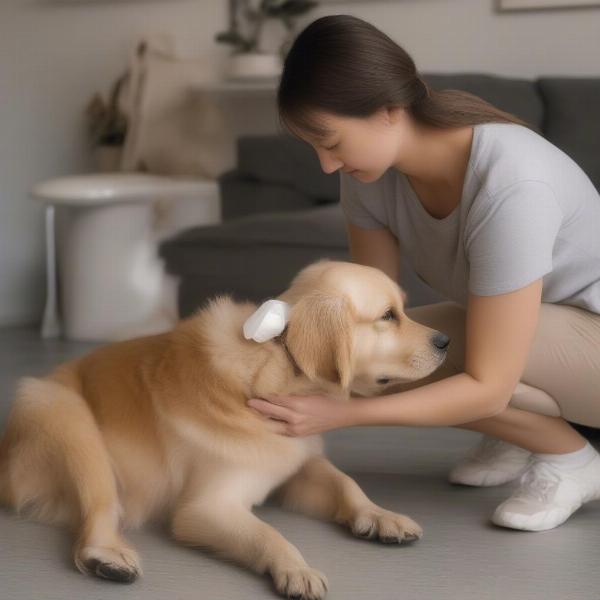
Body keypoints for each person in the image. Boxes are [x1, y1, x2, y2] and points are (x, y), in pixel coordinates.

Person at [246, 14, 600, 532]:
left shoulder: (512, 183)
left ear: (389, 111)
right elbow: (368, 316)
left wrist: (342, 414)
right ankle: (521, 433)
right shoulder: (369, 174)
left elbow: (487, 385)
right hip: (542, 336)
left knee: (447, 361)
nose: (325, 165)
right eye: (314, 147)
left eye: (332, 142)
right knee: (374, 352)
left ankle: (571, 458)